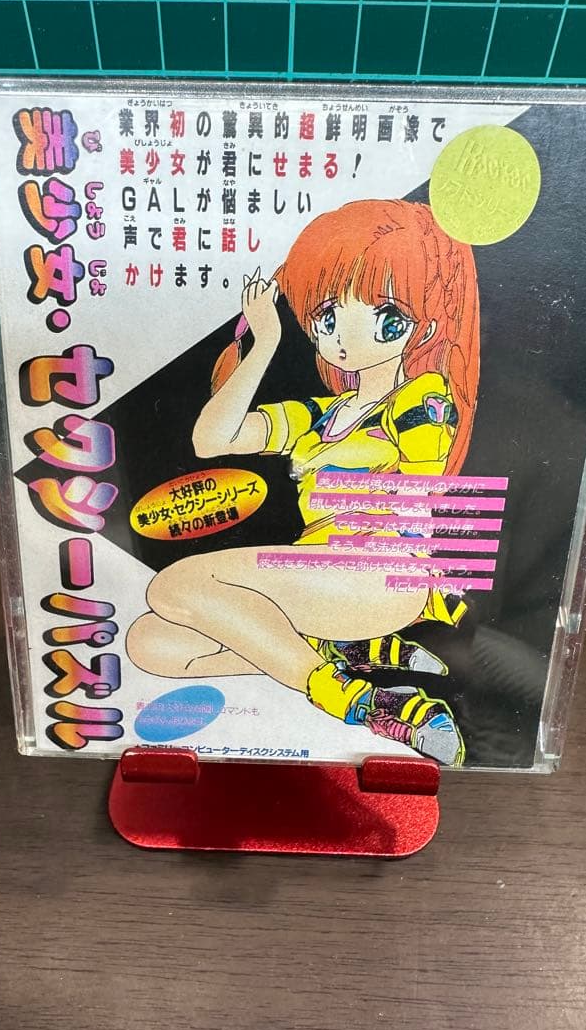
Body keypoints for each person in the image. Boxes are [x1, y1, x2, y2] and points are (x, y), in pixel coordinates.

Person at [126, 200, 479, 766]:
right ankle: (346, 655)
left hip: (378, 573)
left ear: (427, 327)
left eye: (385, 315)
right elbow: (212, 439)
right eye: (328, 317)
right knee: (152, 642)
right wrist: (264, 343)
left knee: (173, 587)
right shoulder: (319, 415)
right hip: (317, 581)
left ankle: (358, 702)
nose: (345, 336)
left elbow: (419, 494)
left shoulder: (422, 399)